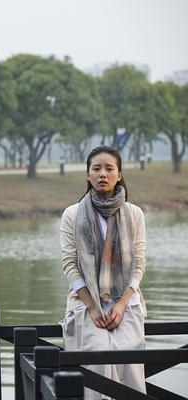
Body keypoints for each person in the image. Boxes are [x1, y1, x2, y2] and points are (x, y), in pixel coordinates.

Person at [59, 145, 147, 399]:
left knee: (129, 361)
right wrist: (94, 307)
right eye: (96, 168)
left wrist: (121, 304)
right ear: (88, 174)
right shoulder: (73, 214)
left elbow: (139, 263)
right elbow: (70, 264)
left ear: (119, 175)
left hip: (125, 301)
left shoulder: (134, 214)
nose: (103, 174)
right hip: (86, 302)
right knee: (96, 360)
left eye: (109, 168)